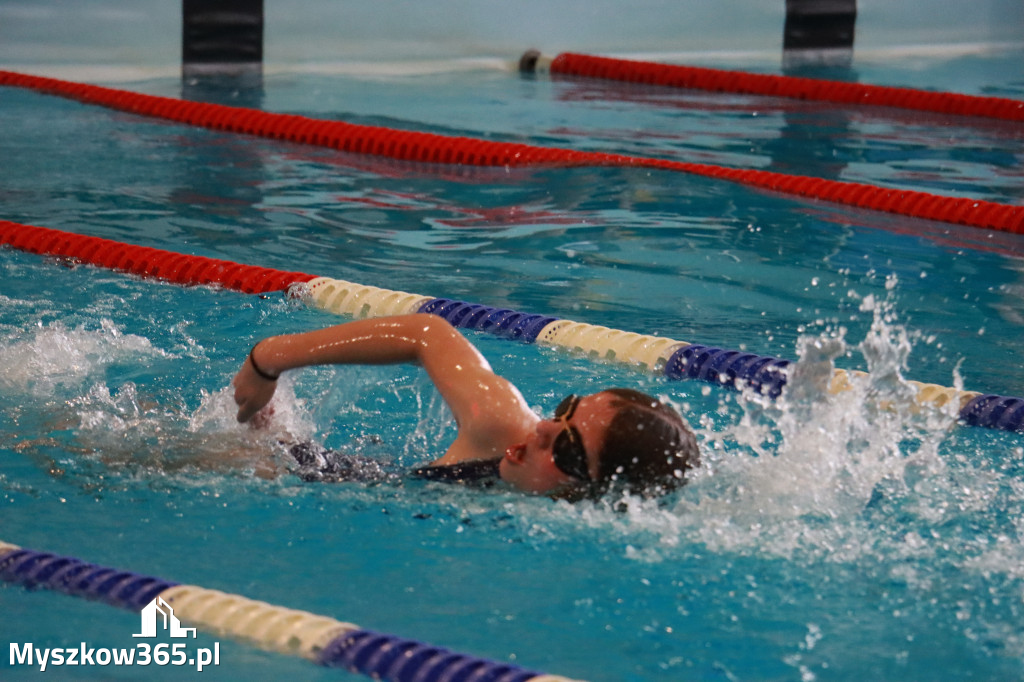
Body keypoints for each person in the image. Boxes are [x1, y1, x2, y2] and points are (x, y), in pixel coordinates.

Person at [232, 313, 700, 500]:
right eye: (564, 410)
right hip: (310, 477)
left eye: (567, 449)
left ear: (600, 493)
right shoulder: (502, 426)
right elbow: (427, 333)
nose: (541, 429)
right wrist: (267, 360)